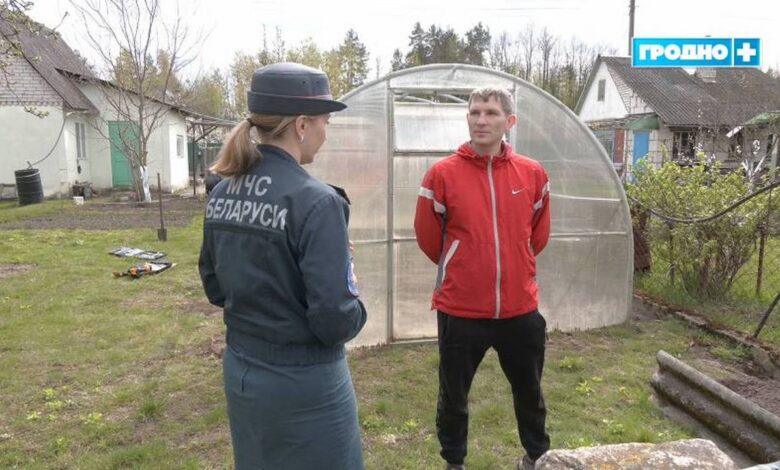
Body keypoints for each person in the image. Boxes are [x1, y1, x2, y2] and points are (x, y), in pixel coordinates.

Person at [198, 62, 367, 470]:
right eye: (326, 121)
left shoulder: (222, 190)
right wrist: (355, 298)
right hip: (306, 387)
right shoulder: (318, 202)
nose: (327, 132)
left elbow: (215, 287)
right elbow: (334, 321)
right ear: (303, 125)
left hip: (243, 373)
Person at [414, 87, 551, 470]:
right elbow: (429, 236)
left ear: (509, 121)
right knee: (453, 395)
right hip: (461, 309)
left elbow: (537, 235)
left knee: (530, 391)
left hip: (519, 308)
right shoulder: (442, 174)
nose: (480, 120)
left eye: (490, 113)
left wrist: (514, 264)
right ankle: (454, 462)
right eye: (474, 112)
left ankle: (536, 457)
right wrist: (463, 265)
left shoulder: (533, 173)